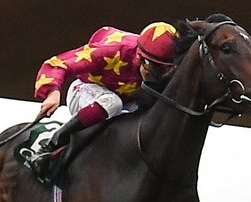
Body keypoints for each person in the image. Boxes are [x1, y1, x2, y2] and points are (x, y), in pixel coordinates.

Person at [29, 22, 178, 182]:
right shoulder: (113, 51)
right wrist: (52, 91)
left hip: (124, 100)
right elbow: (57, 63)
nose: (155, 75)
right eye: (151, 66)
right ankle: (50, 145)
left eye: (163, 69)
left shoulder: (167, 67)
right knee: (112, 103)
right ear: (139, 57)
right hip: (84, 89)